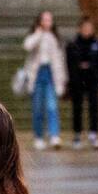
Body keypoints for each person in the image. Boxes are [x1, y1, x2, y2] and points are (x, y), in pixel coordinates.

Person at [21, 11, 67, 150]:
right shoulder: (35, 35)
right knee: (38, 108)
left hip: (51, 74)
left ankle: (54, 135)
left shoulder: (55, 38)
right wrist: (38, 34)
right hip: (37, 75)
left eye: (50, 20)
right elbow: (27, 46)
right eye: (45, 20)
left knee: (52, 106)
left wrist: (63, 79)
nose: (48, 22)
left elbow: (60, 61)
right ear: (40, 21)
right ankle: (39, 136)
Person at [65, 15, 98, 150]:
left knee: (94, 107)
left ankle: (93, 135)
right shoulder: (73, 44)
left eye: (89, 28)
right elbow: (68, 64)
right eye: (84, 28)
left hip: (93, 80)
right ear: (79, 29)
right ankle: (77, 135)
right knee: (77, 108)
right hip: (77, 80)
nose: (86, 30)